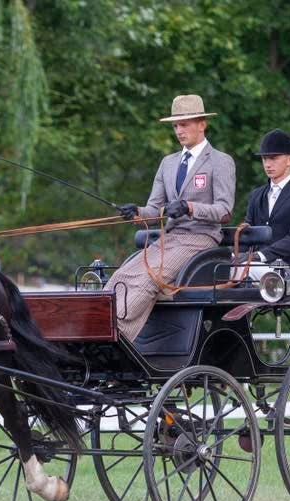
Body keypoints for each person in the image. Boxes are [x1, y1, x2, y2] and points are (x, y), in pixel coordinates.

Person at [106, 94, 236, 341]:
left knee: (148, 276)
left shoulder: (220, 161)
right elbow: (154, 211)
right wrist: (136, 213)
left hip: (201, 239)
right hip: (170, 238)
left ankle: (119, 333)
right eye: (176, 125)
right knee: (121, 275)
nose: (179, 130)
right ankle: (100, 327)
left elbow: (225, 210)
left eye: (184, 124)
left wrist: (189, 207)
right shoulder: (168, 163)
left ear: (202, 124)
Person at [240, 129, 290, 288]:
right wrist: (234, 254)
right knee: (221, 269)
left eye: (273, 158)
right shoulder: (256, 195)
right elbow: (249, 235)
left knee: (241, 271)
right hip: (257, 268)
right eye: (264, 159)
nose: (268, 164)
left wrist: (259, 256)